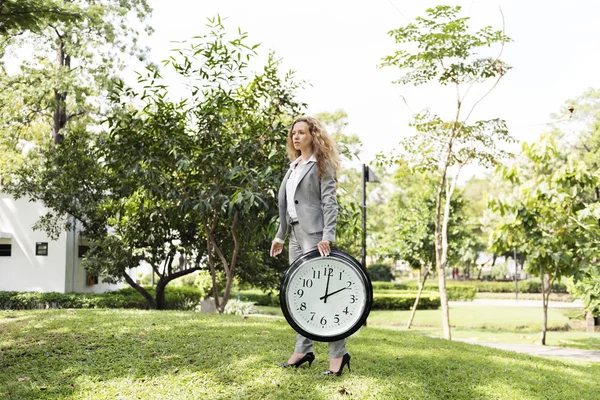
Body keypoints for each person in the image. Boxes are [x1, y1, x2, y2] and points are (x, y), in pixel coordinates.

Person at [270, 116, 351, 376]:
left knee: (323, 294)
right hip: (294, 234)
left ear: (312, 136)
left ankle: (337, 355)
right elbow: (286, 205)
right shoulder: (293, 166)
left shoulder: (321, 164)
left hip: (315, 235)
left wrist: (327, 235)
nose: (296, 137)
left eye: (302, 132)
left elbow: (329, 202)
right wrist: (280, 236)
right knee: (299, 294)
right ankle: (303, 349)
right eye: (293, 133)